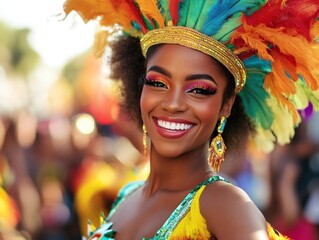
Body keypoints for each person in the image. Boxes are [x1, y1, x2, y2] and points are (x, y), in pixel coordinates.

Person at [63, 0, 319, 239]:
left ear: (226, 105)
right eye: (158, 83)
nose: (173, 104)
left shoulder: (223, 204)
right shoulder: (125, 195)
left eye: (198, 89)